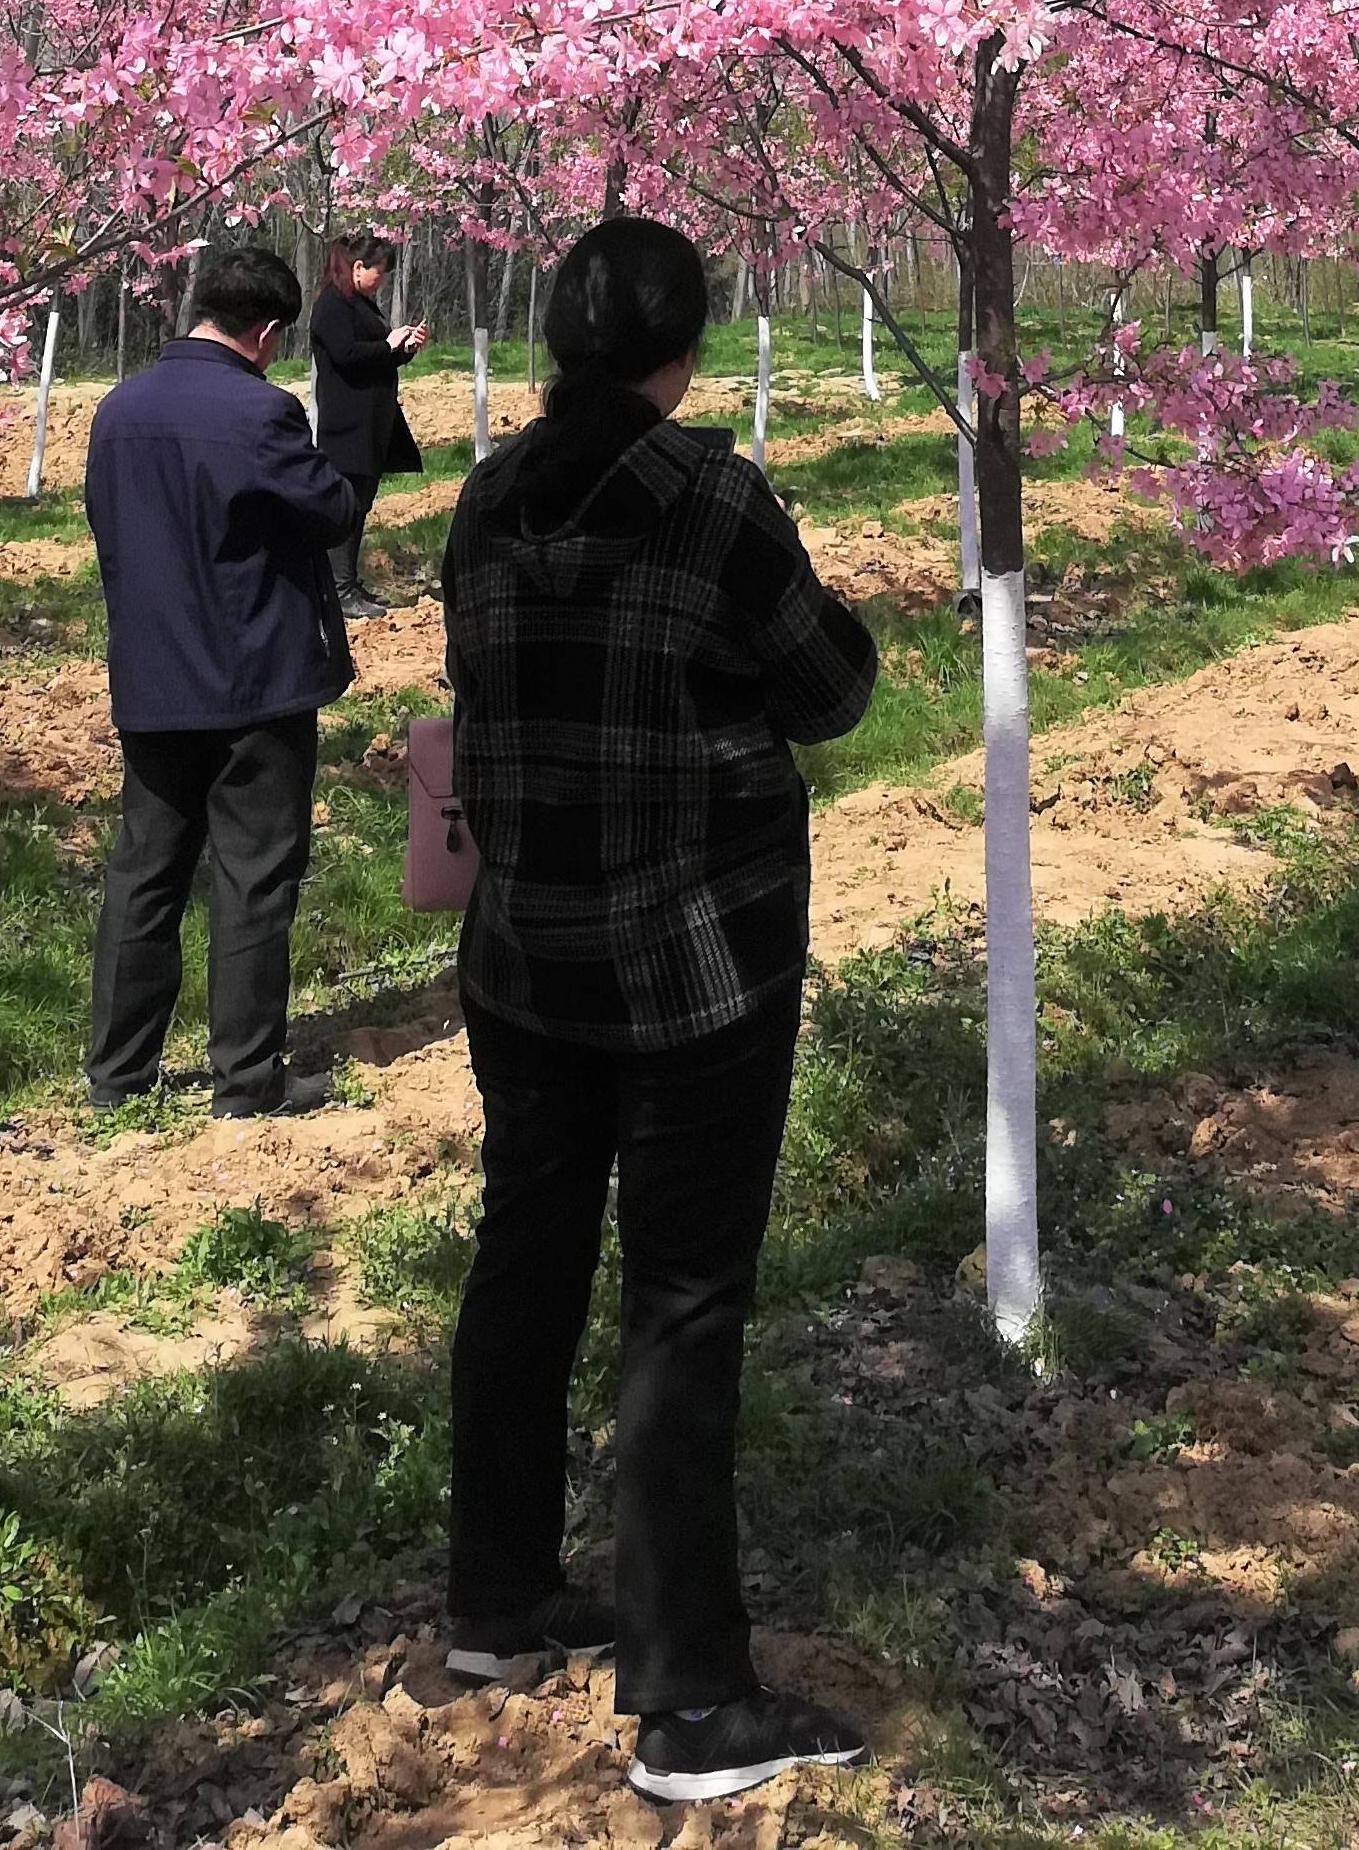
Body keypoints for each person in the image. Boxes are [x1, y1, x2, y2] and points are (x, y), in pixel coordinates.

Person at [439, 213, 878, 1809]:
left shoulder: (485, 499)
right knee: (683, 1300)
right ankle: (692, 1703)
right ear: (682, 350)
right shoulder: (713, 502)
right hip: (697, 966)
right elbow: (832, 689)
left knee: (527, 1255)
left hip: (521, 961)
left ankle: (495, 1598)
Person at [81, 226, 353, 1116]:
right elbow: (327, 509)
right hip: (253, 679)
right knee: (253, 873)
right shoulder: (260, 411)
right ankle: (246, 1079)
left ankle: (117, 1076)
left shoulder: (118, 410)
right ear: (269, 335)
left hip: (154, 678)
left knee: (145, 873)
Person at [308, 225, 428, 613]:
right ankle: (339, 591)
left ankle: (349, 585)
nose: (383, 280)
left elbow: (375, 355)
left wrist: (403, 348)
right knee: (347, 506)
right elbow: (346, 355)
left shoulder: (359, 304)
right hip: (347, 427)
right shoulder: (332, 305)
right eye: (380, 272)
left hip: (370, 424)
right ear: (358, 267)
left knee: (360, 505)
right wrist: (386, 344)